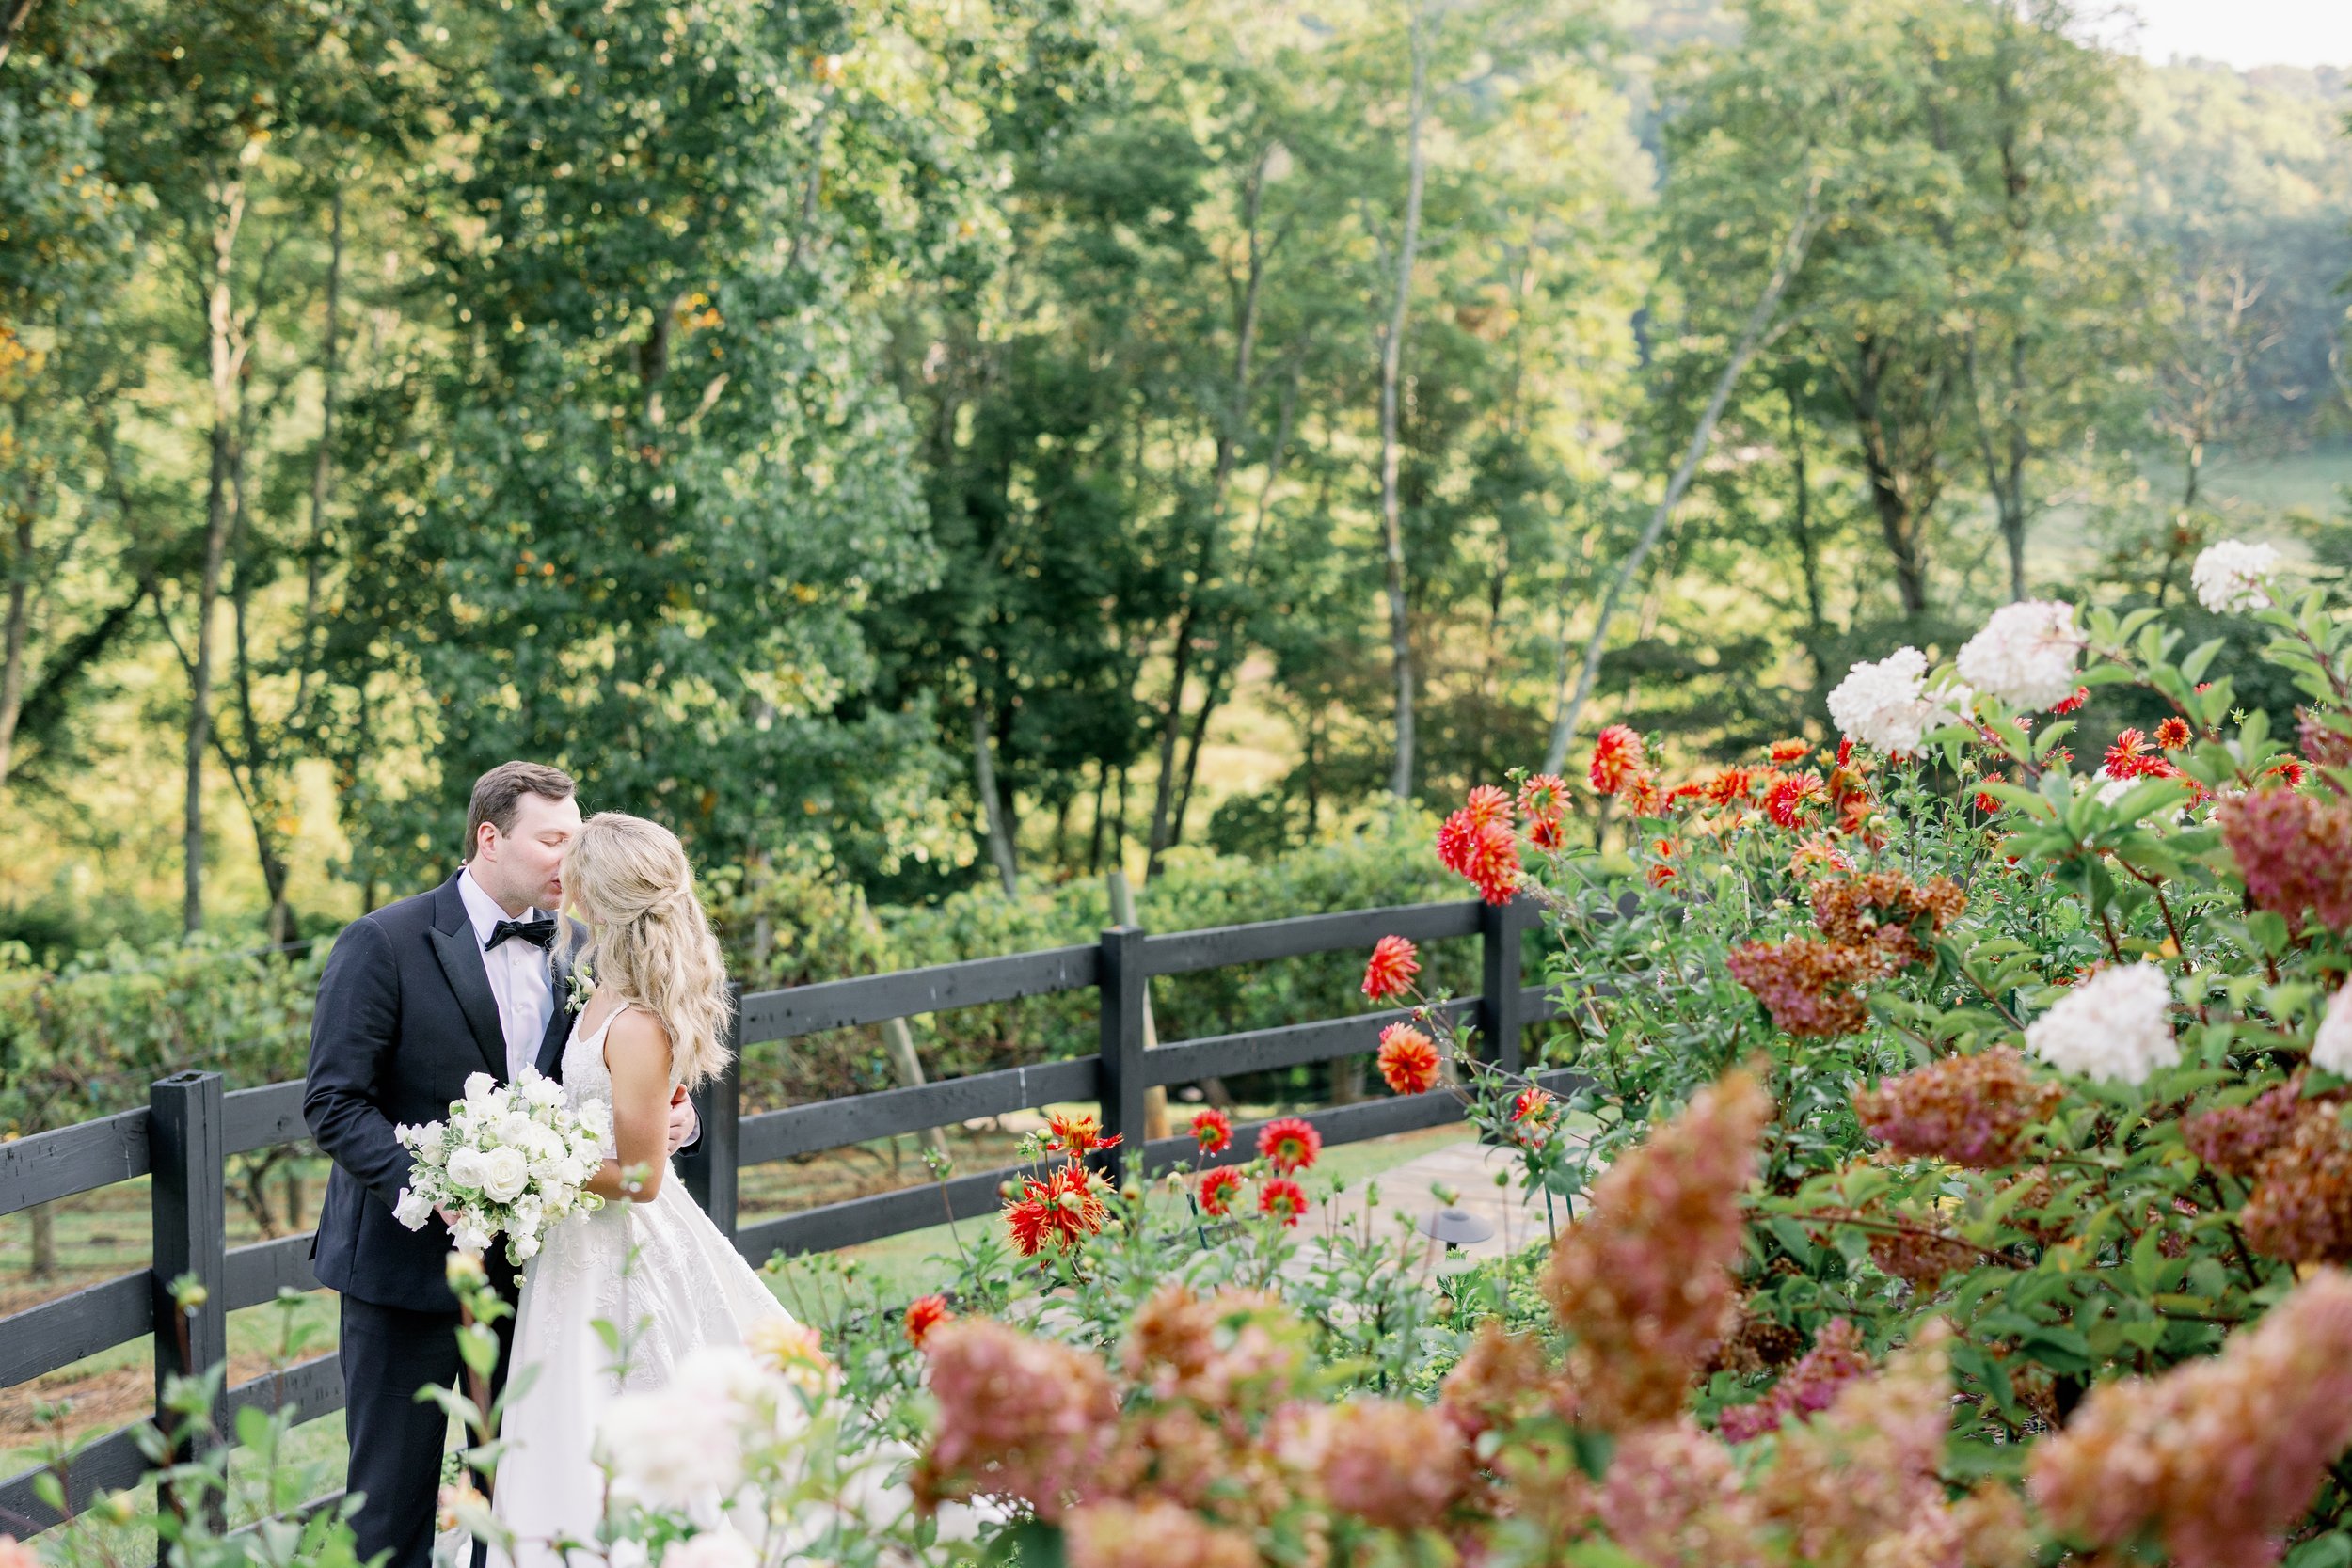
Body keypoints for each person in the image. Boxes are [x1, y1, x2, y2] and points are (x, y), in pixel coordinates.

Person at [305, 764, 701, 1568]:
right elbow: (334, 1102)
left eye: (578, 837)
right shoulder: (383, 941)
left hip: (540, 1274)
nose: (571, 855)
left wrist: (675, 1122)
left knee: (523, 1496)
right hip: (403, 1272)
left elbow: (623, 1084)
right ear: (491, 837)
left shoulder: (594, 949)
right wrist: (438, 1190)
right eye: (554, 838)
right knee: (390, 1505)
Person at [490, 811, 800, 1568]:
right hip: (574, 1244)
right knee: (565, 1412)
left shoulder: (633, 1022)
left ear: (603, 892)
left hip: (615, 1243)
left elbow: (642, 1177)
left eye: (577, 864)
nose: (563, 876)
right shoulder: (601, 990)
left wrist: (535, 1170)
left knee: (618, 1399)